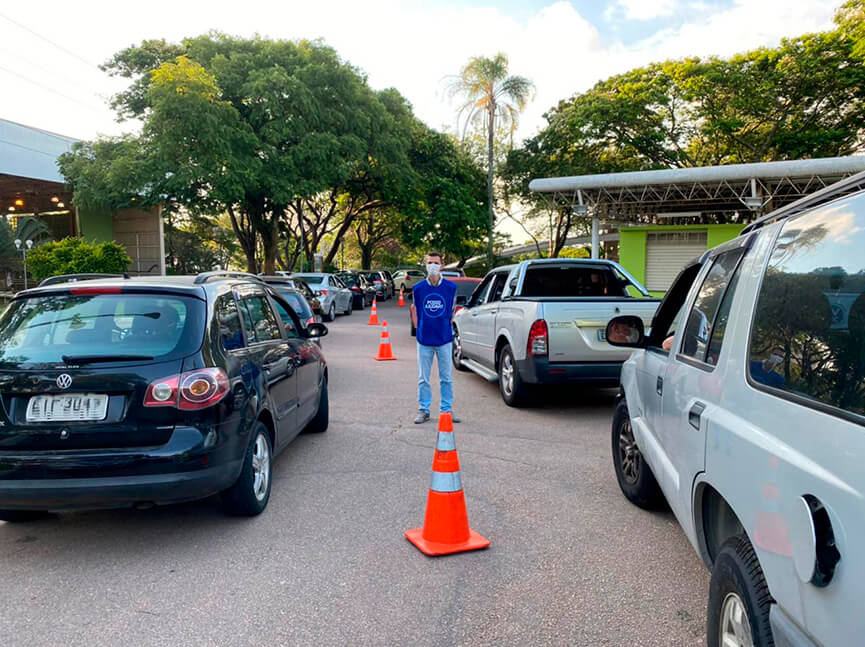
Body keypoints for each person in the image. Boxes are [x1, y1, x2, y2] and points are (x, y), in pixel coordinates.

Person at [410, 252, 460, 425]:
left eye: (436, 262)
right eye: (430, 262)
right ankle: (424, 410)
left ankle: (446, 410)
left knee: (446, 378)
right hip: (424, 339)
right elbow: (415, 310)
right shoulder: (418, 289)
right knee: (423, 378)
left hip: (444, 339)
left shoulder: (450, 288)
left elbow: (451, 312)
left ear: (442, 265)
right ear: (425, 265)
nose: (432, 265)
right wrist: (418, 329)